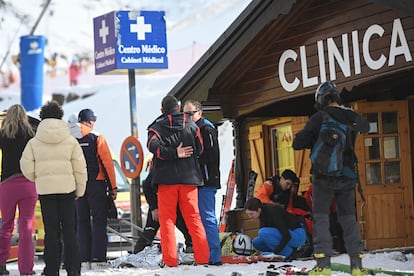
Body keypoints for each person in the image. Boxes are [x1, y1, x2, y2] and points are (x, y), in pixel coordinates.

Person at [292, 81, 370, 275]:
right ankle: (357, 266)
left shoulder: (320, 117)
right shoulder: (351, 116)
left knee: (321, 219)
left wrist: (313, 137)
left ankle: (323, 266)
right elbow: (367, 126)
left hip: (322, 178)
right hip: (347, 177)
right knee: (348, 219)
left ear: (321, 100)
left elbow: (297, 144)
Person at [20, 100, 87, 276]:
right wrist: (79, 190)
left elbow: (25, 165)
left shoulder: (34, 142)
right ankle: (73, 269)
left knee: (51, 231)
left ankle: (51, 269)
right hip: (67, 191)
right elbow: (80, 168)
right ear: (60, 117)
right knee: (70, 231)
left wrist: (37, 177)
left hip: (46, 192)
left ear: (42, 117)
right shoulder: (71, 141)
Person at [147, 95, 209, 267]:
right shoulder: (191, 125)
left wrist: (173, 153)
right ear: (179, 108)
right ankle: (203, 258)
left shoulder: (156, 127)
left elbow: (152, 146)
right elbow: (200, 148)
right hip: (189, 180)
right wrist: (182, 155)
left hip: (166, 181)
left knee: (167, 221)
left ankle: (170, 261)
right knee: (194, 219)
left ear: (162, 111)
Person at [75, 108, 117, 268]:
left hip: (78, 185)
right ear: (90, 121)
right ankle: (98, 259)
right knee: (99, 221)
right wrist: (113, 187)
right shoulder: (97, 136)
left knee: (82, 221)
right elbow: (107, 163)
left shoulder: (70, 138)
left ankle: (84, 259)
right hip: (96, 183)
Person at [183, 100, 222, 265]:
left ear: (199, 112)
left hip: (206, 180)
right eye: (185, 114)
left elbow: (212, 154)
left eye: (190, 113)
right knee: (196, 218)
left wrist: (193, 159)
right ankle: (204, 253)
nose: (187, 117)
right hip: (197, 180)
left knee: (207, 217)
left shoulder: (206, 128)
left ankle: (214, 256)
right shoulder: (192, 129)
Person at [0, 104, 37, 276]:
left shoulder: (3, 134)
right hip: (28, 184)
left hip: (7, 185)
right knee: (26, 226)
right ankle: (26, 269)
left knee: (6, 226)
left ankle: (1, 265)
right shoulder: (31, 134)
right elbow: (39, 122)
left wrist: (6, 118)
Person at [132, 158, 193, 254]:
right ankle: (138, 253)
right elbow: (147, 185)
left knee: (185, 227)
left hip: (173, 203)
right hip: (159, 202)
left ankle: (191, 247)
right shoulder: (162, 166)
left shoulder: (180, 166)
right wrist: (154, 207)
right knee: (151, 229)